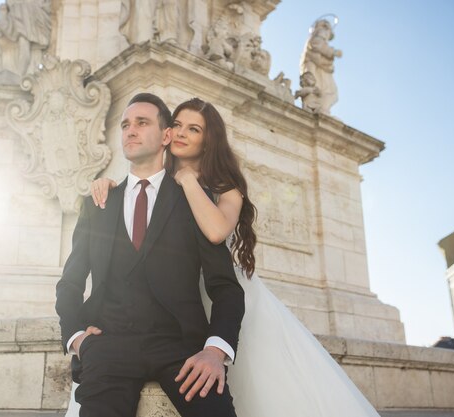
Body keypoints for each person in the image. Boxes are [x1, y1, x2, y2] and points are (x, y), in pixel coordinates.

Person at [69, 97, 381, 417]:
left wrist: (189, 180)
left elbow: (217, 232)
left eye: (193, 129)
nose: (180, 134)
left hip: (214, 298)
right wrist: (108, 184)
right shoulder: (161, 176)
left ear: (208, 139)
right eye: (176, 125)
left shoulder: (223, 186)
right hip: (160, 311)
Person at [55, 93, 245, 417]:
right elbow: (69, 282)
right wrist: (77, 339)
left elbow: (225, 287)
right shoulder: (97, 203)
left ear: (166, 136)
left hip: (181, 349)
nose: (130, 130)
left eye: (142, 123)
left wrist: (215, 351)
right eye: (126, 124)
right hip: (108, 347)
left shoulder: (196, 201)